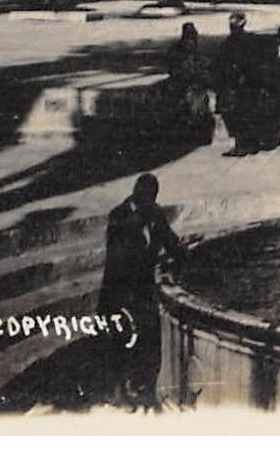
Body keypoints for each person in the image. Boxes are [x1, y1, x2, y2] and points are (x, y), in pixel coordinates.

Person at [96, 174, 185, 409]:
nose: (151, 204)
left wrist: (185, 251)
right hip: (120, 291)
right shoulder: (119, 216)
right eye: (146, 199)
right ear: (136, 195)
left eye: (153, 199)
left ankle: (139, 384)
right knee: (121, 341)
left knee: (148, 338)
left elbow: (169, 240)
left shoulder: (154, 213)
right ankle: (116, 392)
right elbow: (119, 261)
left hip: (142, 291)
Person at [211, 12, 260, 157]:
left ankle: (241, 145)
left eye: (233, 24)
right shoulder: (242, 41)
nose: (231, 27)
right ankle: (247, 144)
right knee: (241, 113)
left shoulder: (236, 41)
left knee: (235, 114)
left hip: (235, 83)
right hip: (240, 82)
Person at [164, 23, 213, 146]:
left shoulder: (190, 52)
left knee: (197, 108)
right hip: (184, 85)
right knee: (193, 109)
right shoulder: (180, 52)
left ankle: (198, 135)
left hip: (190, 85)